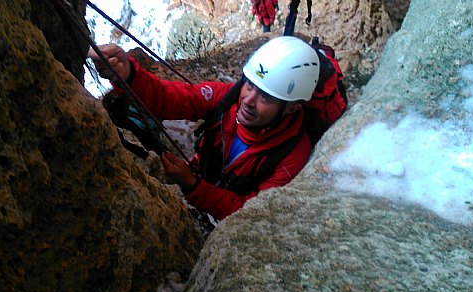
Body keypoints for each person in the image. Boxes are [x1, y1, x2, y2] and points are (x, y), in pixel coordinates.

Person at [88, 36, 321, 220]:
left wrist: (193, 185)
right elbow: (167, 99)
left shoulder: (291, 154)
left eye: (266, 98)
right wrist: (127, 74)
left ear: (291, 108)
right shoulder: (226, 98)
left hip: (219, 209)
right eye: (249, 84)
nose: (248, 100)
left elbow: (252, 212)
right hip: (204, 178)